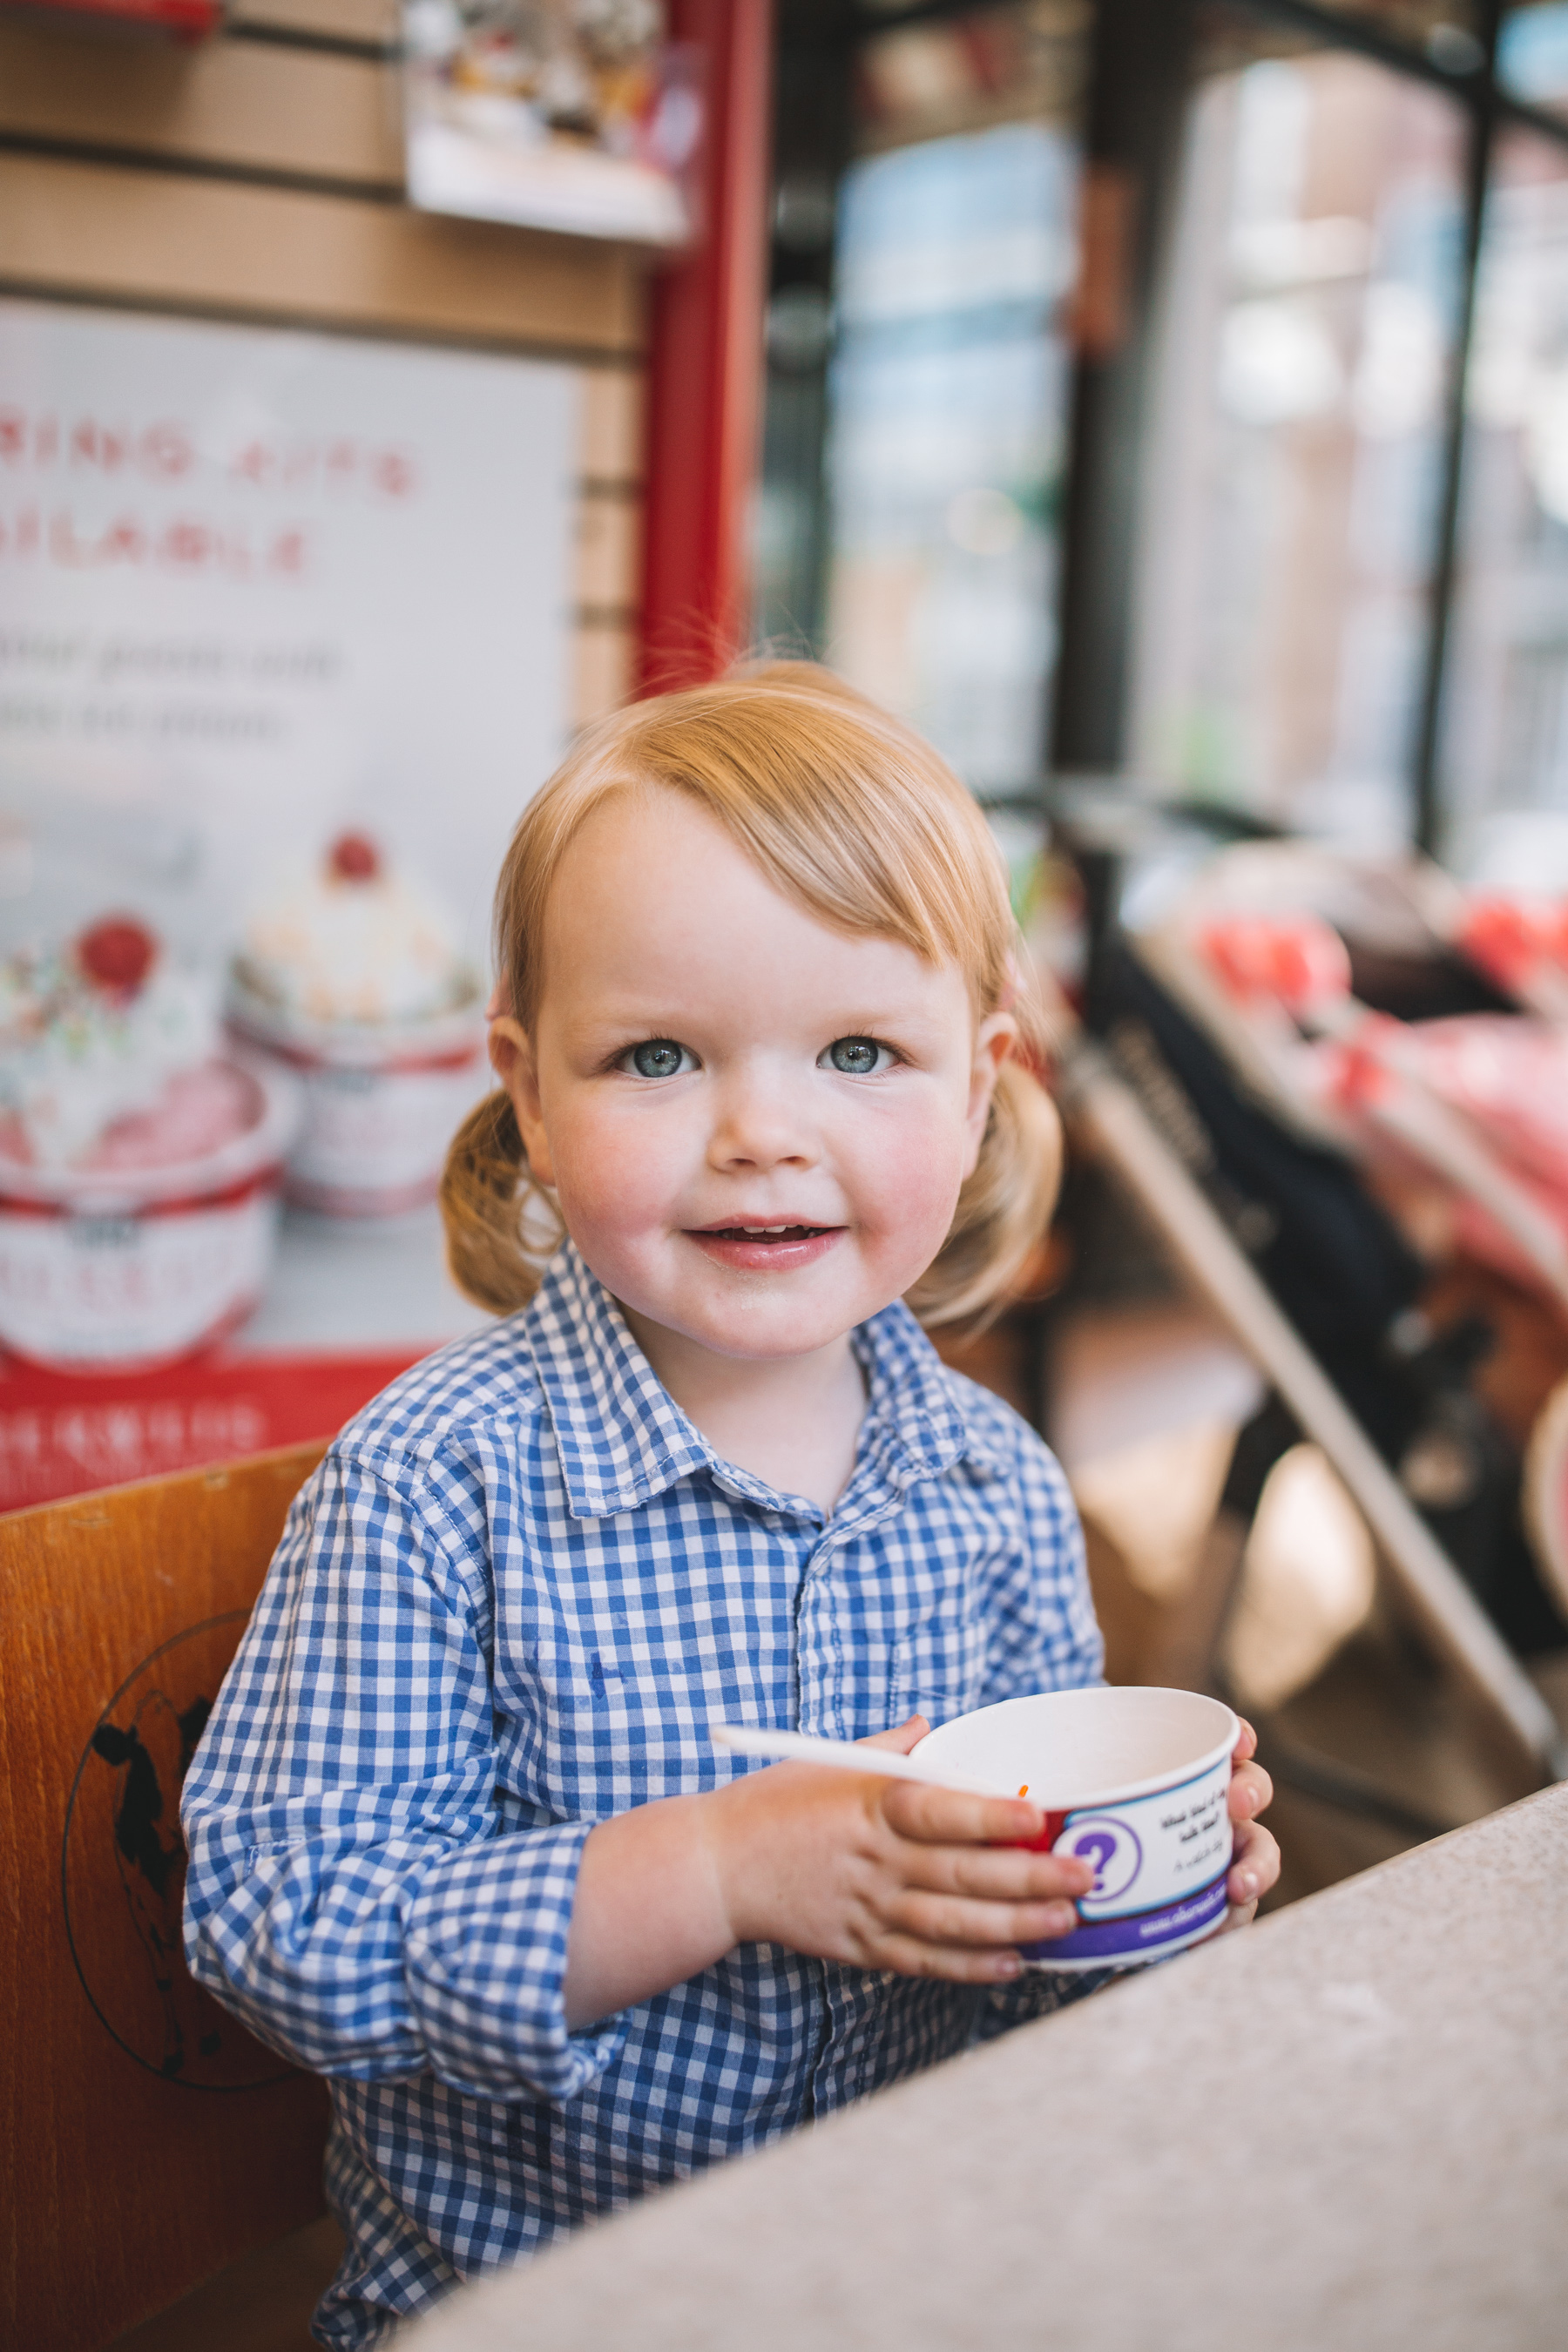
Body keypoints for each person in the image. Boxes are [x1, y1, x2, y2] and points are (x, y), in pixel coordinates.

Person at [182, 666, 1279, 2346]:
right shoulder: (432, 1487)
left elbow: (1031, 1975)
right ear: (530, 1092)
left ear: (976, 1083)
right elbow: (279, 1923)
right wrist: (706, 1870)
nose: (764, 1132)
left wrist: (1140, 1897)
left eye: (858, 1049)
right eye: (656, 1056)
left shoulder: (993, 1492)